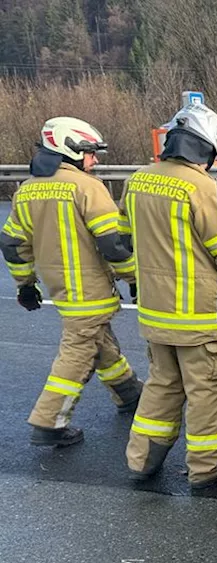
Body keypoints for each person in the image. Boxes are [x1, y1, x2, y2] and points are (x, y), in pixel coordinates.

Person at [120, 102, 217, 487]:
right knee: (207, 391)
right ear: (207, 147)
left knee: (162, 386)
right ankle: (209, 466)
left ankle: (140, 460)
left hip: (155, 313)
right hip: (198, 316)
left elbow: (125, 237)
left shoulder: (138, 180)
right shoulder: (201, 188)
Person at [0, 117, 143, 447]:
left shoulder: (27, 189)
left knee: (98, 340)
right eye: (91, 153)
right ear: (72, 151)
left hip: (60, 287)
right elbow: (112, 243)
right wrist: (134, 278)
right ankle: (48, 421)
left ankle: (128, 393)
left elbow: (11, 243)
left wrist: (25, 284)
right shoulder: (88, 188)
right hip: (89, 289)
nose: (95, 160)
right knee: (77, 353)